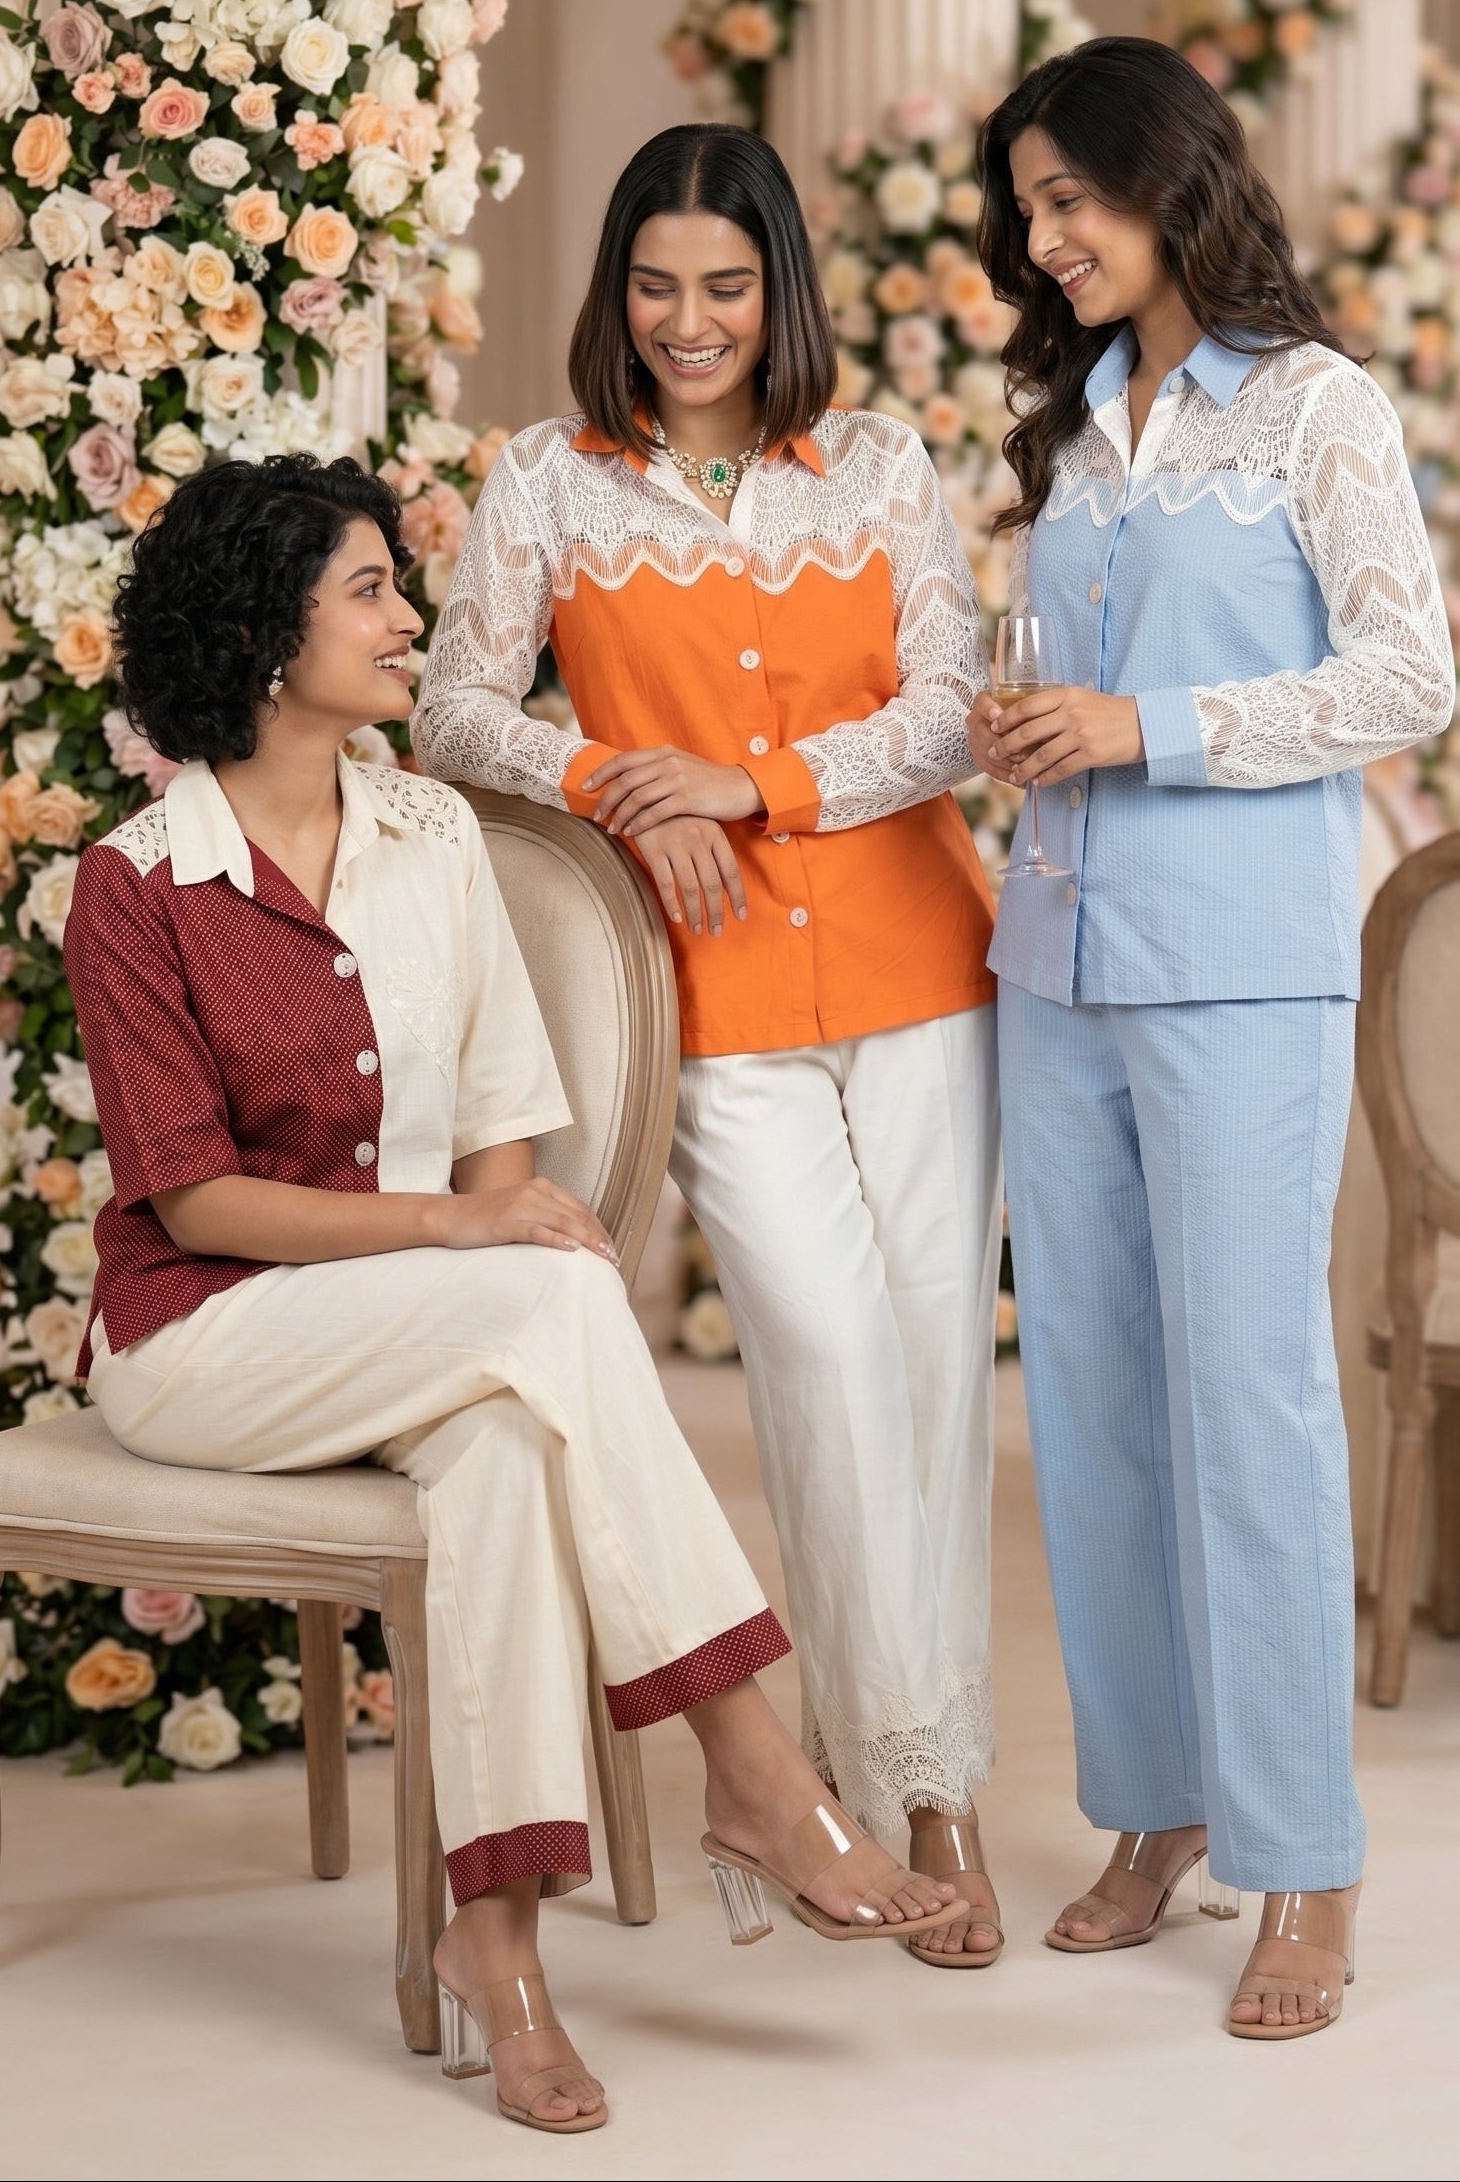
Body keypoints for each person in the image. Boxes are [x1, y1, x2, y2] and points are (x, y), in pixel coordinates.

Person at [63, 453, 964, 2138]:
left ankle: (501, 1951)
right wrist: (461, 1239)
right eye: (370, 593)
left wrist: (474, 1245)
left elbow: (500, 1124)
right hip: (201, 1340)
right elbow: (193, 1201)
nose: (411, 620)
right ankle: (757, 1771)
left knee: (501, 1448)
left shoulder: (432, 838)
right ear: (263, 637)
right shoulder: (137, 883)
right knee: (544, 1296)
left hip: (420, 1332)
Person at [413, 125, 1006, 1967]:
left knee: (933, 1368)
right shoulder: (549, 482)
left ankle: (932, 1786)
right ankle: (870, 1768)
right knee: (824, 1357)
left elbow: (950, 713)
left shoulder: (882, 466)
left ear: (779, 292)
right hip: (719, 1002)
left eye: (727, 286)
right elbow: (450, 710)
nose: (690, 321)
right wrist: (612, 776)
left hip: (928, 970)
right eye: (657, 285)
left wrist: (750, 783)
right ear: (618, 292)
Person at [967, 37, 1455, 2038]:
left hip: (1243, 966)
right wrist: (1021, 729)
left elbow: (1406, 675)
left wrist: (1141, 728)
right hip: (1057, 964)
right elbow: (1062, 690)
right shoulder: (1078, 427)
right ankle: (1157, 1807)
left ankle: (1304, 1854)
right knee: (1089, 1407)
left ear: (1169, 182)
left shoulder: (1316, 407)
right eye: (1026, 207)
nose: (1042, 237)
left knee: (1250, 1402)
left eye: (1070, 198)